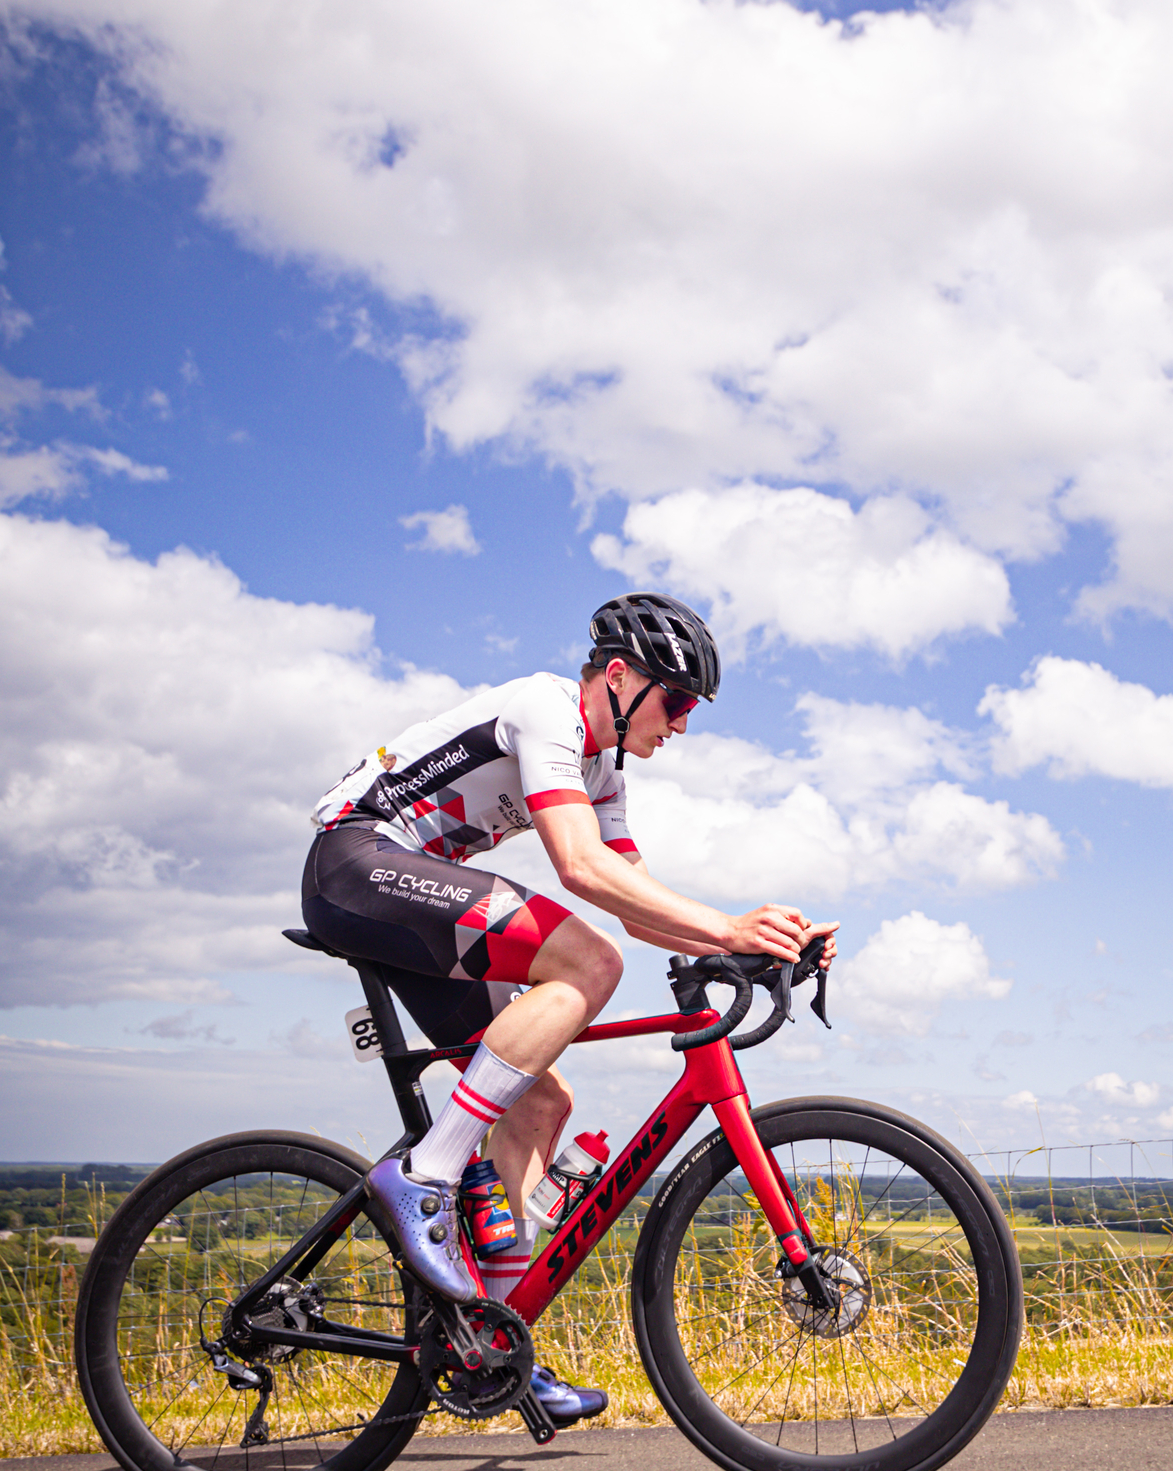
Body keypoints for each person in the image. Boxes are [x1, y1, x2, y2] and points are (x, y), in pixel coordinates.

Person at [303, 591, 837, 1426]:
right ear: (618, 678)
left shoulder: (603, 768)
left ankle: (494, 1340)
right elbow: (581, 868)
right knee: (588, 962)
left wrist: (751, 943)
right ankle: (429, 1173)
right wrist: (728, 924)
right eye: (677, 700)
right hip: (358, 860)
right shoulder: (546, 710)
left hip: (414, 897)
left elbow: (635, 898)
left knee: (544, 1101)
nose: (684, 724)